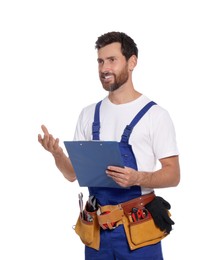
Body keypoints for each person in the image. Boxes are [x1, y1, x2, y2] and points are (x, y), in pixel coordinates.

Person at [38, 31, 180, 260]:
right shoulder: (88, 115)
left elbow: (173, 175)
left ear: (132, 62)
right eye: (100, 61)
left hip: (138, 231)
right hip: (97, 230)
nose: (104, 68)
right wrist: (57, 155)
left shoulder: (155, 116)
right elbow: (72, 174)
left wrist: (138, 178)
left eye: (112, 60)